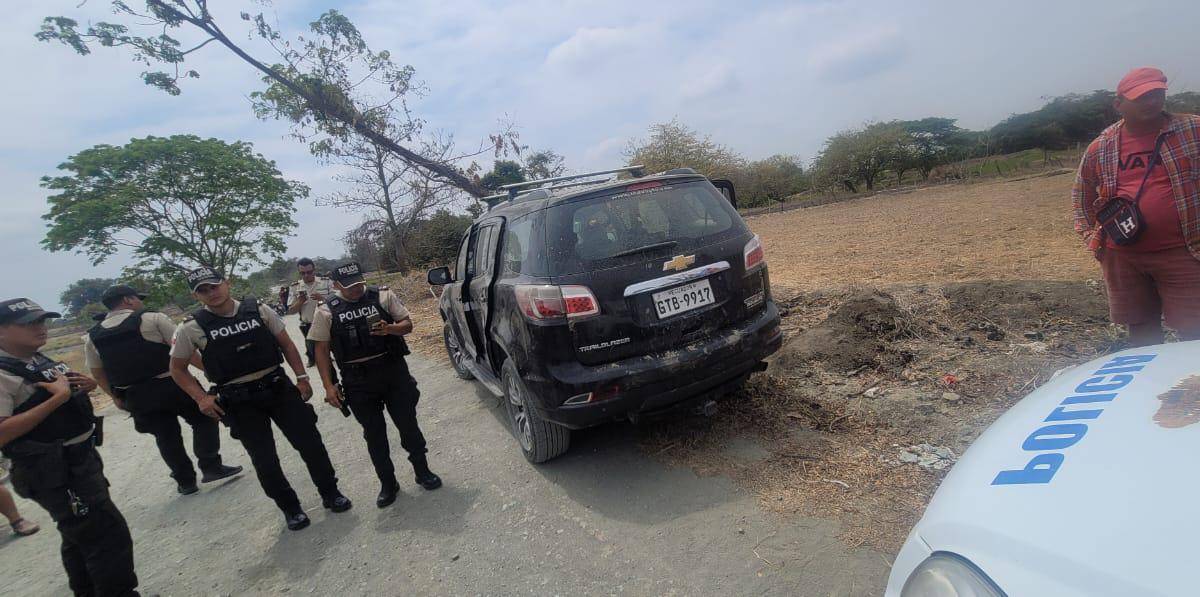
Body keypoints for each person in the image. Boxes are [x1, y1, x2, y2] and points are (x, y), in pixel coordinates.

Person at [169, 267, 350, 531]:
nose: (212, 293)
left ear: (226, 283)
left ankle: (330, 494)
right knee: (264, 459)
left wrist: (302, 378)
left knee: (310, 444)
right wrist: (200, 398)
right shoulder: (190, 328)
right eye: (203, 290)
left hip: (277, 386)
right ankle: (290, 508)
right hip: (239, 400)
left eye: (214, 285)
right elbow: (177, 368)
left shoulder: (260, 311)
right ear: (196, 296)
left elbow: (287, 344)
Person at [0, 297, 139, 595]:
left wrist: (82, 388)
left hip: (77, 461)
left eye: (41, 320)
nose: (40, 328)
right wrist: (58, 399)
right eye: (28, 324)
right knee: (106, 534)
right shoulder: (2, 374)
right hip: (51, 470)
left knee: (79, 536)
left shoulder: (34, 359)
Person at [1072, 67, 1200, 347]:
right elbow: (1081, 196)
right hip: (1123, 257)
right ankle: (1149, 388)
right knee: (1141, 332)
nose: (1152, 102)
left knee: (1195, 332)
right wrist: (1093, 240)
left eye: (1157, 94)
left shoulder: (1193, 130)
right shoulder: (1101, 146)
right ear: (1119, 105)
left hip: (1184, 251)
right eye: (1142, 97)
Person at [85, 285, 243, 495]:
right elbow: (182, 351)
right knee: (204, 419)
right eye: (138, 298)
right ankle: (210, 466)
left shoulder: (92, 336)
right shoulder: (153, 318)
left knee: (165, 435)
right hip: (171, 385)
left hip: (135, 395)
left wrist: (115, 397)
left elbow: (98, 373)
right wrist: (212, 371)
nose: (140, 302)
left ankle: (185, 481)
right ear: (129, 300)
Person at [309, 262, 441, 509]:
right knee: (374, 435)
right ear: (336, 285)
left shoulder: (382, 295)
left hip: (392, 371)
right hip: (357, 380)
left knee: (408, 425)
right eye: (349, 286)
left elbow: (407, 324)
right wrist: (328, 386)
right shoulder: (326, 311)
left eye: (359, 283)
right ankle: (388, 483)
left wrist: (389, 329)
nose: (357, 289)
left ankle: (422, 471)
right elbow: (322, 350)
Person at [287, 258, 335, 368]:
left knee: (336, 348)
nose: (306, 275)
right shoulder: (295, 287)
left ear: (314, 270)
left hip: (329, 322)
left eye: (309, 272)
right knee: (316, 354)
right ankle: (312, 358)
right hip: (309, 324)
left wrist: (322, 298)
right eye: (302, 273)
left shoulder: (326, 282)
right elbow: (290, 311)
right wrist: (300, 301)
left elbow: (337, 301)